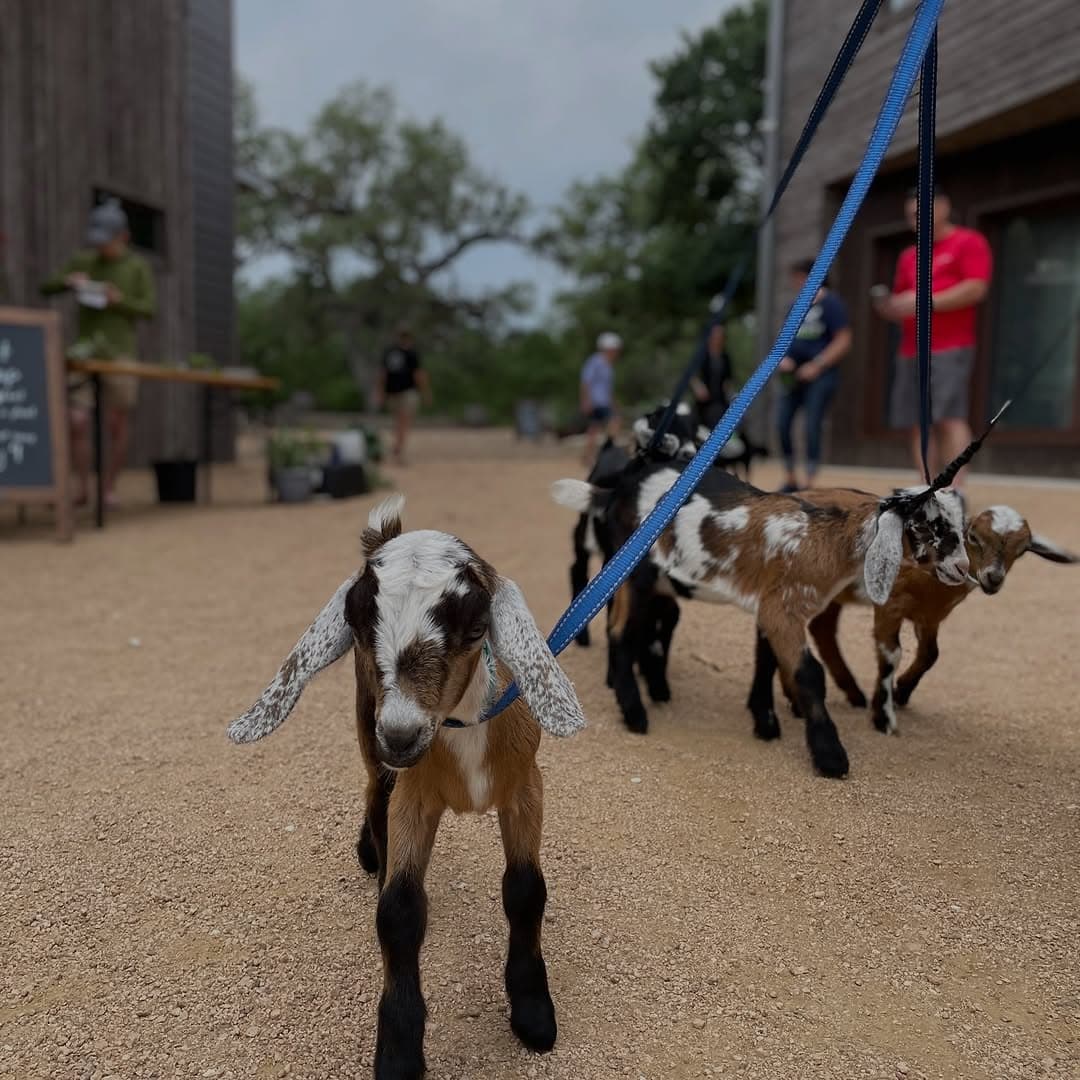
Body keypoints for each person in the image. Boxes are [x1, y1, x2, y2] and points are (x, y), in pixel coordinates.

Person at [874, 185, 992, 493]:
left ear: (942, 207)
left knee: (950, 416)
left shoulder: (968, 241)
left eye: (920, 212)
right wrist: (891, 307)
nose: (915, 219)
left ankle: (956, 489)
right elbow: (904, 298)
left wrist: (926, 300)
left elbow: (976, 288)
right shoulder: (908, 255)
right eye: (910, 215)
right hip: (910, 348)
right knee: (918, 421)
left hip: (950, 346)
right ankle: (926, 485)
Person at [41, 199, 156, 508]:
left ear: (124, 237)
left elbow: (149, 308)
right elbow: (46, 287)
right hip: (85, 352)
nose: (101, 246)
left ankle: (109, 488)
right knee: (76, 420)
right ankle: (81, 488)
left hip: (120, 353)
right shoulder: (84, 260)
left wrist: (119, 300)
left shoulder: (137, 267)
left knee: (117, 423)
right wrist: (68, 282)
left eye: (107, 240)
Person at [776, 260, 852, 490]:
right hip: (793, 375)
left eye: (799, 277)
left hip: (820, 375)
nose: (796, 283)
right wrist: (784, 358)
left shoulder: (832, 304)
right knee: (782, 422)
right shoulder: (796, 306)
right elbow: (786, 339)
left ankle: (809, 481)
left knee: (812, 425)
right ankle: (790, 477)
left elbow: (844, 340)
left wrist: (818, 364)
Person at [374, 323, 431, 465]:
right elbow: (419, 375)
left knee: (400, 421)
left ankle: (398, 447)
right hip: (406, 392)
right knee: (403, 422)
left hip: (394, 392)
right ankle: (398, 449)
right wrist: (426, 392)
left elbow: (382, 374)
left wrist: (380, 392)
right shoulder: (411, 353)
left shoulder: (390, 352)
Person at [580, 331, 622, 466]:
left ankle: (589, 456)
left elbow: (607, 388)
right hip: (597, 402)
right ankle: (607, 453)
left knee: (594, 429)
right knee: (613, 423)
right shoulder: (595, 361)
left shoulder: (608, 365)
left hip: (604, 402)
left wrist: (613, 403)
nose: (616, 353)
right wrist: (586, 401)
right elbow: (586, 382)